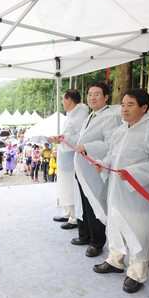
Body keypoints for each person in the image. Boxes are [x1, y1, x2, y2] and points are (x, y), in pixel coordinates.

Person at [92, 88, 149, 293]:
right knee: (115, 225)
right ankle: (115, 260)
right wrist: (103, 163)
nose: (124, 109)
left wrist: (133, 172)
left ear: (144, 108)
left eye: (130, 105)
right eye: (123, 104)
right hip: (116, 189)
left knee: (139, 231)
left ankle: (137, 273)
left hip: (138, 194)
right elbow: (113, 154)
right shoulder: (121, 130)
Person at [73, 82, 122, 258]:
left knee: (95, 203)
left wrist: (87, 146)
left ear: (106, 97)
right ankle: (85, 235)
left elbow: (111, 143)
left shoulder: (110, 116)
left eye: (97, 94)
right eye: (89, 94)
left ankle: (97, 242)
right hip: (82, 167)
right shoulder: (91, 116)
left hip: (96, 167)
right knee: (84, 202)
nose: (92, 98)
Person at [49, 88, 88, 230]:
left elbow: (80, 138)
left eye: (63, 100)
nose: (63, 103)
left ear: (69, 100)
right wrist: (59, 139)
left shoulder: (80, 115)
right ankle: (67, 212)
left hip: (72, 158)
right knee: (64, 186)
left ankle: (74, 217)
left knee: (70, 188)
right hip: (65, 157)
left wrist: (63, 139)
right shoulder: (72, 114)